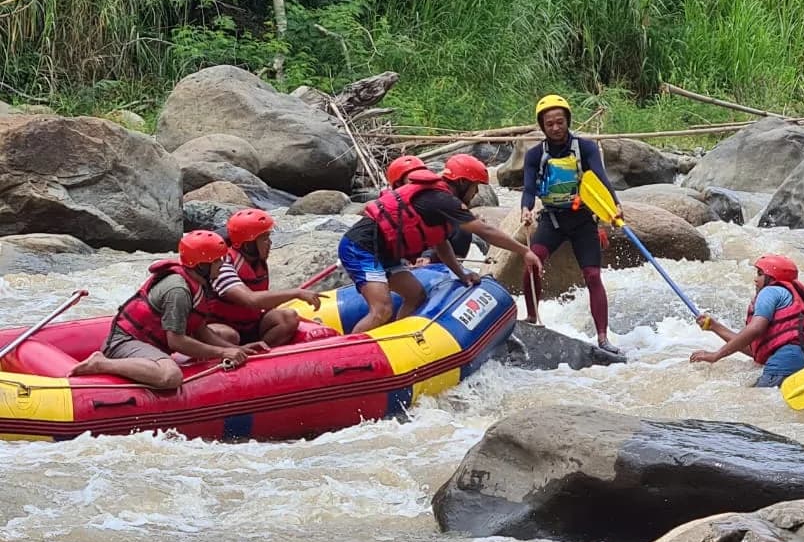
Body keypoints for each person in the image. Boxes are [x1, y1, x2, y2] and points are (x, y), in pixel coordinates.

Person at [339, 153, 542, 335]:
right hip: (361, 247)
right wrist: (524, 251)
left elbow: (441, 244)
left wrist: (462, 275)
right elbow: (485, 231)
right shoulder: (443, 200)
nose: (475, 193)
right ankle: (346, 355)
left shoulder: (438, 200)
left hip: (385, 251)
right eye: (475, 186)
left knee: (415, 295)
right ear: (462, 182)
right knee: (382, 309)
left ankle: (394, 340)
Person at [67, 230, 268, 390]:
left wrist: (234, 349)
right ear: (201, 265)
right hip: (125, 343)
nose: (223, 265)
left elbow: (199, 329)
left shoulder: (199, 282)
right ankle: (100, 363)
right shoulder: (178, 290)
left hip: (151, 344)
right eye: (217, 261)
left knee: (228, 336)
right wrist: (222, 351)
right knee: (170, 376)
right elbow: (176, 341)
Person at [520, 94, 622, 355]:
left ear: (567, 121)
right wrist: (526, 209)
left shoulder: (585, 148)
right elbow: (529, 187)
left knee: (593, 275)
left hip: (582, 220)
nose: (555, 128)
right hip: (552, 219)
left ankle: (602, 337)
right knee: (532, 263)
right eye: (550, 123)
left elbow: (599, 178)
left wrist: (614, 206)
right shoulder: (534, 154)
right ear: (542, 126)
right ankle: (532, 318)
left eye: (560, 122)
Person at [690, 254, 804, 387]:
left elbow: (755, 329)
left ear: (772, 277)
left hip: (784, 361)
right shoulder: (789, 296)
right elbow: (755, 351)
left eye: (760, 274)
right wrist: (715, 327)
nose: (755, 279)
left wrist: (716, 355)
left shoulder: (769, 291)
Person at [203, 209, 323, 348]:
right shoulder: (222, 265)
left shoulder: (256, 263)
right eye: (265, 238)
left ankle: (260, 354)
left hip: (251, 324)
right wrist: (296, 293)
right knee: (230, 335)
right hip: (222, 328)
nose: (270, 243)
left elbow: (261, 303)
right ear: (249, 244)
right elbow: (250, 300)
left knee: (288, 317)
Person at [385, 155, 476, 265]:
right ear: (398, 185)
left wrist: (428, 258)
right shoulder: (393, 210)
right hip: (403, 260)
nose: (418, 183)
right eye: (412, 179)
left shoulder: (432, 201)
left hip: (432, 258)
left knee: (463, 228)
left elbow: (439, 239)